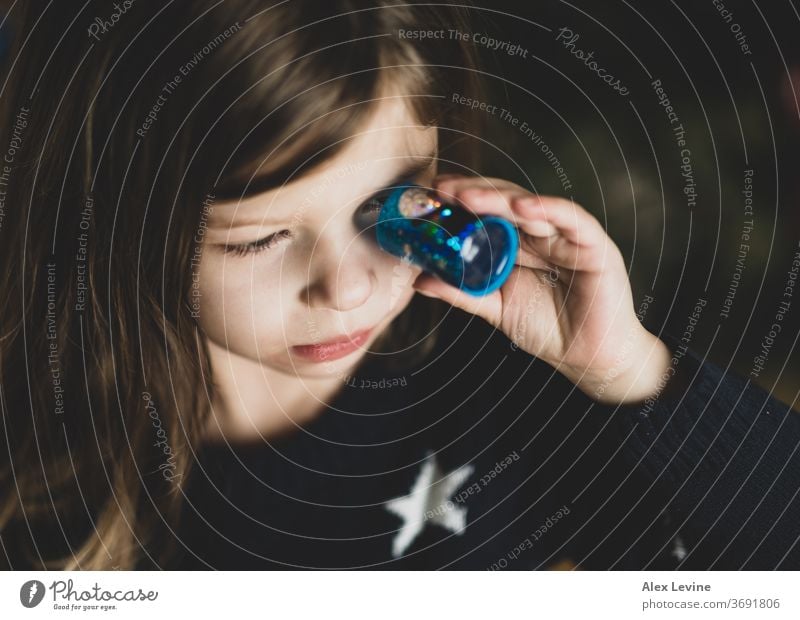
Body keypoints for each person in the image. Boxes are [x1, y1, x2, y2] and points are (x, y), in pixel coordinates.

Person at [0, 0, 797, 571]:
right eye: (256, 240)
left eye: (391, 207)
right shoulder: (39, 455)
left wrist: (634, 378)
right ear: (108, 221)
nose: (349, 291)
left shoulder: (501, 373)